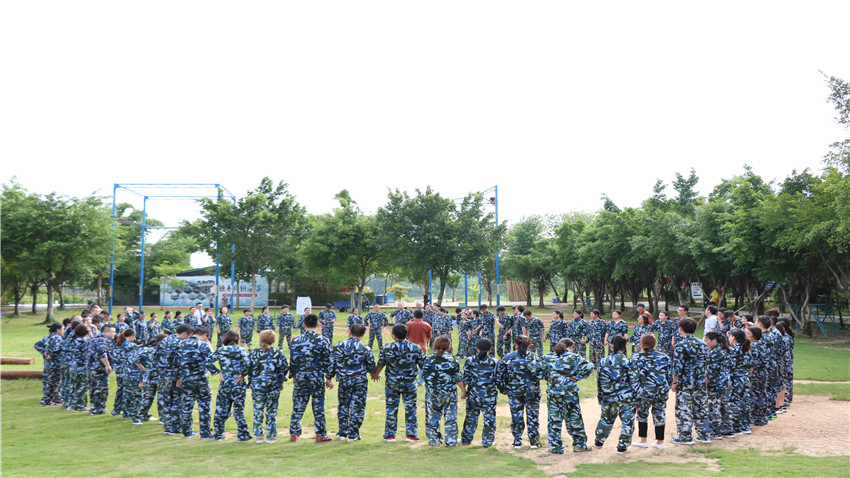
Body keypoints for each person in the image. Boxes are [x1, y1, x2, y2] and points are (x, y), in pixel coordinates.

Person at [537, 338, 595, 454]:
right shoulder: (574, 357)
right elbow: (589, 366)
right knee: (574, 418)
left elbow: (534, 367)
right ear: (571, 346)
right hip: (569, 392)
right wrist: (577, 377)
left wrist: (545, 376)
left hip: (554, 393)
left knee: (554, 420)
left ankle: (555, 447)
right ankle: (579, 445)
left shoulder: (548, 357)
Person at [371, 324, 425, 442]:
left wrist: (375, 374)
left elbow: (381, 364)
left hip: (392, 383)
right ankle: (411, 434)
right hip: (410, 383)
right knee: (411, 408)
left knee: (391, 408)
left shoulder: (387, 348)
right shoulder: (416, 348)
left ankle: (390, 435)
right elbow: (423, 366)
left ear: (393, 335)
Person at [288, 314, 334, 442]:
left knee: (298, 405)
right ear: (318, 325)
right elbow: (328, 361)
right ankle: (320, 434)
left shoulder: (296, 340)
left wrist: (293, 375)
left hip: (301, 376)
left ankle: (294, 433)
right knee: (318, 405)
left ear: (303, 325)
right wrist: (329, 378)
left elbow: (293, 360)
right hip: (316, 377)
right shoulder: (323, 340)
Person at [330, 323, 376, 442]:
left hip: (344, 380)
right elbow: (371, 366)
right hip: (359, 380)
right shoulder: (366, 349)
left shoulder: (338, 346)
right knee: (358, 407)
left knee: (343, 405)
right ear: (363, 334)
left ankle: (342, 432)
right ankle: (353, 433)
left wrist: (329, 378)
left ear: (349, 332)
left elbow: (332, 364)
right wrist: (373, 373)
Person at [671, 318, 712, 445]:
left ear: (681, 329)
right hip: (699, 382)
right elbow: (707, 363)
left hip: (685, 383)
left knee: (684, 409)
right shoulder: (702, 344)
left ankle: (685, 437)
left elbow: (677, 367)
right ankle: (704, 435)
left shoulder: (681, 345)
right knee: (701, 409)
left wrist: (674, 383)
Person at [499, 335, 542, 449]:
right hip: (532, 391)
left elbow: (499, 376)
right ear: (529, 345)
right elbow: (542, 373)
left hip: (514, 391)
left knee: (516, 416)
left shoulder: (509, 357)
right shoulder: (535, 357)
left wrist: (504, 389)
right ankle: (534, 441)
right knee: (533, 415)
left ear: (515, 344)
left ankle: (517, 441)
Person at [594, 336, 635, 454]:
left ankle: (599, 442)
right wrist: (637, 399)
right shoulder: (628, 362)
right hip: (626, 397)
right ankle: (622, 447)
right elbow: (634, 381)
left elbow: (599, 381)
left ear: (612, 346)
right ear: (625, 346)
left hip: (608, 397)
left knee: (606, 420)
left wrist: (601, 397)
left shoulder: (604, 361)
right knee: (627, 422)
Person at [629, 334, 671, 450]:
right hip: (660, 391)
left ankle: (643, 440)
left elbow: (632, 378)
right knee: (660, 414)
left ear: (641, 344)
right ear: (654, 344)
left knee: (642, 415)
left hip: (644, 392)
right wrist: (665, 387)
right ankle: (660, 442)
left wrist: (636, 392)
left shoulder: (636, 358)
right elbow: (669, 376)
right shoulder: (664, 357)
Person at [246, 329, 289, 443]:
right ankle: (271, 435)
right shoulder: (278, 354)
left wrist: (251, 380)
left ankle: (259, 436)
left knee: (258, 410)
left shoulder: (254, 353)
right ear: (274, 340)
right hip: (273, 386)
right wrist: (281, 381)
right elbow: (284, 369)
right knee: (271, 411)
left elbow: (247, 368)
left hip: (257, 386)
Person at [422, 335, 465, 447]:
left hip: (432, 393)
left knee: (432, 417)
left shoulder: (427, 359)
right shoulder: (452, 360)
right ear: (448, 347)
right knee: (450, 418)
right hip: (449, 393)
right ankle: (451, 441)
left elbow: (423, 375)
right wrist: (463, 391)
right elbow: (458, 378)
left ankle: (434, 440)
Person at [177, 327, 218, 438]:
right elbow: (211, 360)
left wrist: (179, 377)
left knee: (186, 405)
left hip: (186, 379)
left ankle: (187, 432)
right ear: (204, 335)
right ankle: (205, 432)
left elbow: (176, 362)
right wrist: (210, 347)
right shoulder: (203, 345)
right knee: (204, 405)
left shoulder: (181, 344)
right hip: (201, 379)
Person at [211, 331, 251, 441]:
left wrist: (218, 372)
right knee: (239, 410)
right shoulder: (241, 350)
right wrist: (243, 374)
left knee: (221, 409)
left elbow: (207, 361)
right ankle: (243, 435)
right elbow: (248, 363)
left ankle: (219, 433)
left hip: (225, 384)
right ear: (237, 339)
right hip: (238, 383)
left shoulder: (221, 350)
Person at [460, 338, 500, 448]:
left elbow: (466, 379)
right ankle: (487, 441)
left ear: (476, 348)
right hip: (489, 395)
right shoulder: (494, 362)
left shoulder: (470, 360)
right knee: (489, 418)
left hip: (474, 395)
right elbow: (498, 379)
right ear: (490, 348)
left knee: (471, 417)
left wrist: (464, 391)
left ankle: (466, 439)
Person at [157, 324, 193, 435]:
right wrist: (180, 377)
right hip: (174, 376)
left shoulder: (163, 341)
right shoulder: (181, 343)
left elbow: (155, 357)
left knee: (166, 401)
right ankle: (175, 427)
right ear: (184, 334)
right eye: (188, 336)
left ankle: (168, 426)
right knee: (176, 401)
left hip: (162, 375)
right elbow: (181, 362)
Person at [704, 331, 733, 440]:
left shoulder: (713, 353)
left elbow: (710, 373)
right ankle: (727, 429)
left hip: (716, 384)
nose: (705, 342)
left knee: (713, 407)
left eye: (707, 340)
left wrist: (704, 385)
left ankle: (715, 432)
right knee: (725, 406)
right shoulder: (724, 350)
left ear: (714, 341)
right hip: (726, 382)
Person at [133, 334, 165, 424]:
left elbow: (136, 360)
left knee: (147, 398)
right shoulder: (162, 351)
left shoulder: (147, 350)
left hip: (149, 377)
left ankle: (139, 417)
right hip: (159, 377)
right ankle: (162, 418)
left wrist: (144, 369)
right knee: (161, 399)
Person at [727, 328, 753, 435]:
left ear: (733, 337)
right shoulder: (746, 349)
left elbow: (730, 366)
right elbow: (751, 365)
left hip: (735, 379)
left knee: (734, 402)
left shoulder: (733, 350)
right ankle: (745, 426)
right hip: (745, 378)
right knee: (745, 402)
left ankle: (737, 427)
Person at [34, 323, 65, 406]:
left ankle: (56, 399)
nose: (63, 331)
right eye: (62, 329)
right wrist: (50, 354)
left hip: (48, 363)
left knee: (52, 382)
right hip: (55, 364)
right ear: (57, 330)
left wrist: (45, 353)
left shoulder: (48, 337)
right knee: (53, 383)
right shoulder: (57, 338)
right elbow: (57, 349)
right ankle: (46, 401)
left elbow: (37, 345)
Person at [88, 324, 116, 415]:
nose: (114, 334)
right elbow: (102, 353)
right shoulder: (102, 340)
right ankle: (98, 409)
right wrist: (107, 365)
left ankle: (94, 408)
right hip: (99, 368)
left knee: (94, 388)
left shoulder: (95, 339)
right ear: (106, 332)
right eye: (113, 332)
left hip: (92, 367)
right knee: (101, 389)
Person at [746, 325, 770, 427]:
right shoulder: (763, 344)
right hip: (763, 372)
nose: (746, 336)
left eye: (748, 334)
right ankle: (761, 417)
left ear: (753, 336)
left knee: (753, 395)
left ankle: (754, 417)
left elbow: (752, 362)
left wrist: (749, 374)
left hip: (755, 373)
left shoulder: (754, 346)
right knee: (761, 393)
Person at [113, 329, 137, 417]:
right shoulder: (131, 346)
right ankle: (126, 411)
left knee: (120, 389)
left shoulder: (118, 345)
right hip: (126, 370)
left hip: (119, 370)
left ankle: (116, 409)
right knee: (127, 391)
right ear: (132, 336)